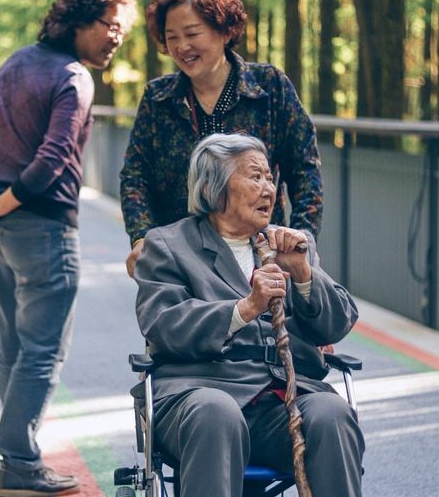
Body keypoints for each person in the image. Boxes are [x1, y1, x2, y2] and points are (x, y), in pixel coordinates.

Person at [0, 0, 136, 495]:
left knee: (12, 344)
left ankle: (16, 449)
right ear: (81, 21)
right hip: (41, 229)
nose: (116, 38)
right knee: (43, 351)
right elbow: (54, 157)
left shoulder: (11, 65)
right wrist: (0, 203)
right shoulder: (75, 77)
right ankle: (18, 458)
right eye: (112, 27)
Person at [132, 133, 364, 497]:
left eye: (270, 178)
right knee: (216, 413)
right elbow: (163, 325)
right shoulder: (168, 245)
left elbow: (337, 324)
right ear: (216, 186)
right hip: (201, 392)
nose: (269, 188)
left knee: (331, 413)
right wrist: (245, 309)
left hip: (282, 403)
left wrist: (304, 275)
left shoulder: (289, 244)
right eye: (255, 177)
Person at [120, 0, 323, 277]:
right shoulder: (157, 98)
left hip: (260, 257)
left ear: (225, 31)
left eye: (192, 34)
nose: (181, 47)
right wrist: (142, 238)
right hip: (180, 259)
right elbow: (135, 176)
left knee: (261, 320)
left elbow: (304, 169)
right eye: (172, 38)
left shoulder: (270, 87)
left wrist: (302, 239)